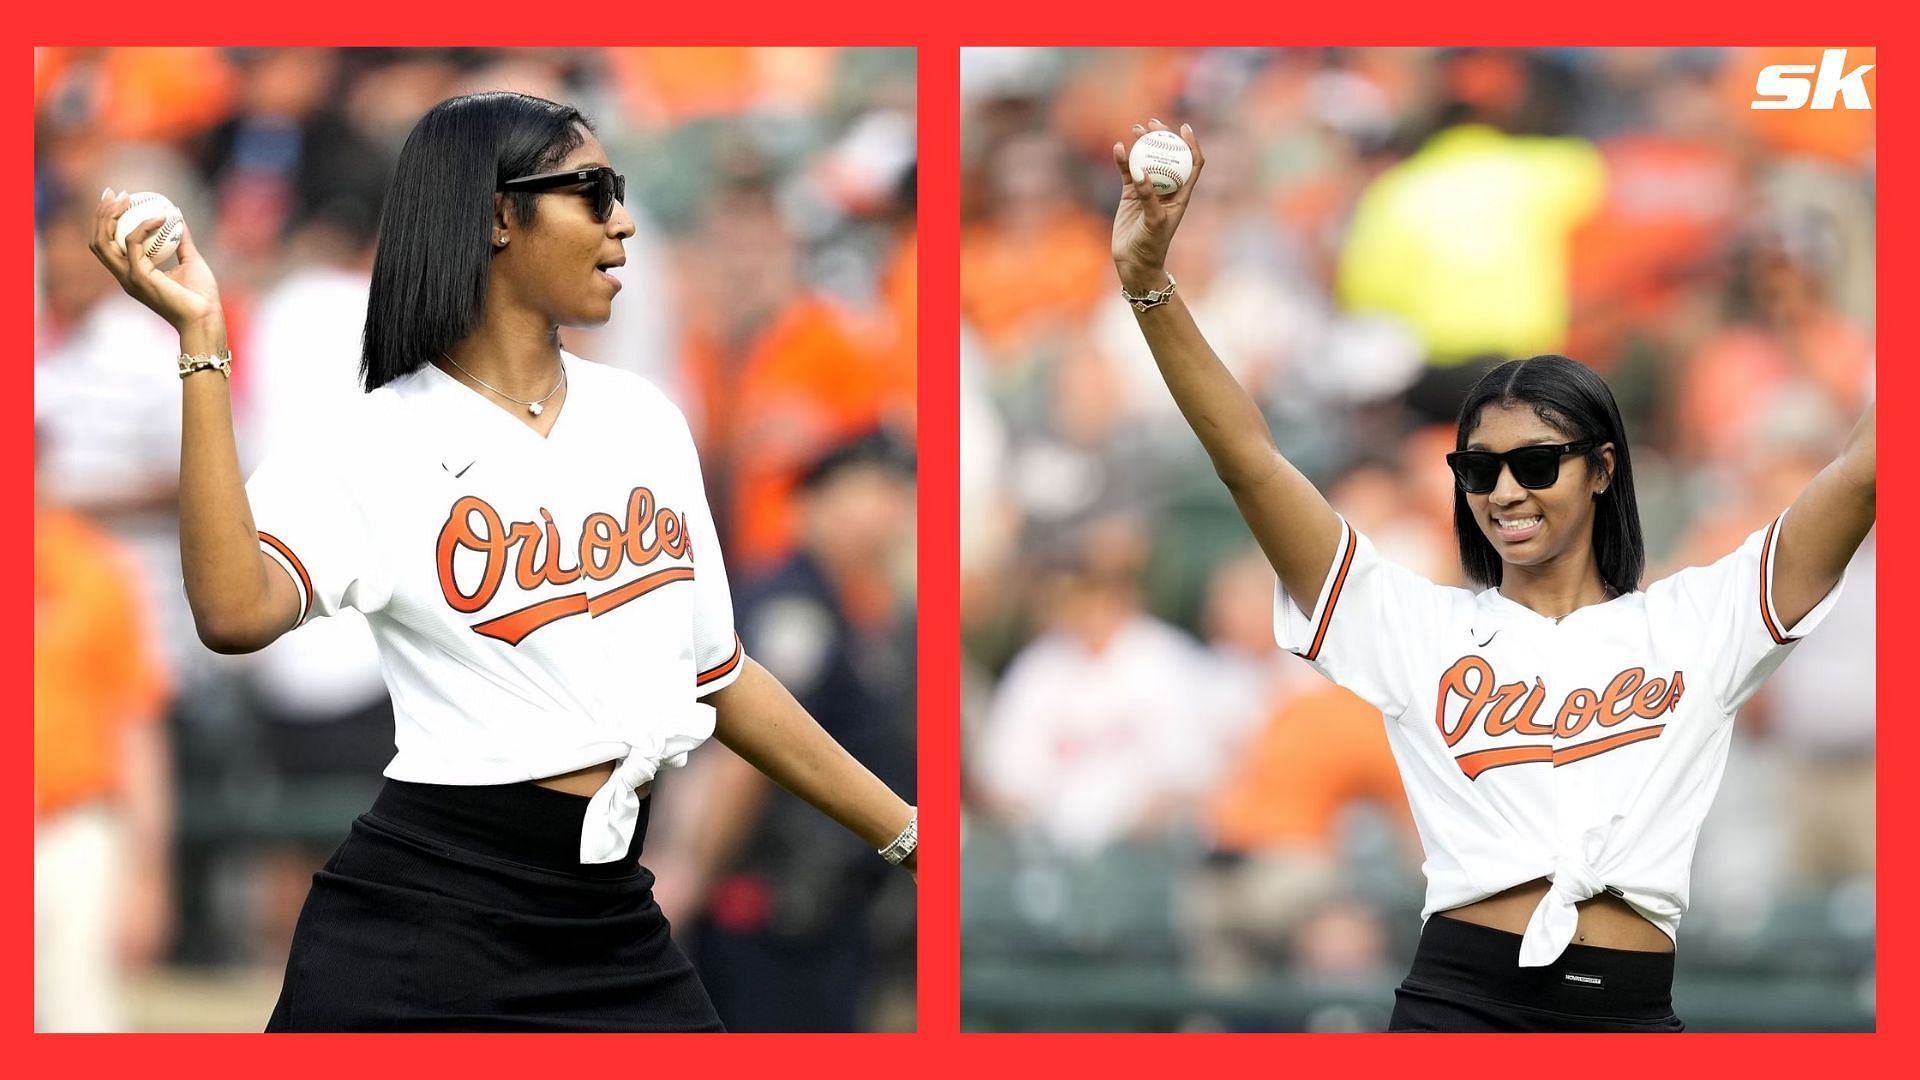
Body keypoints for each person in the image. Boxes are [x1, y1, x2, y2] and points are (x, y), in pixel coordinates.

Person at [87, 90, 916, 1033]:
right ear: (496, 215)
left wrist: (907, 832)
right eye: (592, 191)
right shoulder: (377, 439)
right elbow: (234, 615)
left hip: (608, 912)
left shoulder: (644, 419)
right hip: (428, 912)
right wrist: (202, 345)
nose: (625, 220)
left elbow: (720, 676)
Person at [1111, 119, 1874, 1032]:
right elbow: (1252, 462)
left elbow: (1867, 469)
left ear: (1600, 469)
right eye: (1479, 469)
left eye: (1536, 464)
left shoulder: (1697, 620)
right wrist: (1149, 286)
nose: (1504, 490)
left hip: (1629, 1015)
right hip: (1459, 1004)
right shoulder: (1417, 627)